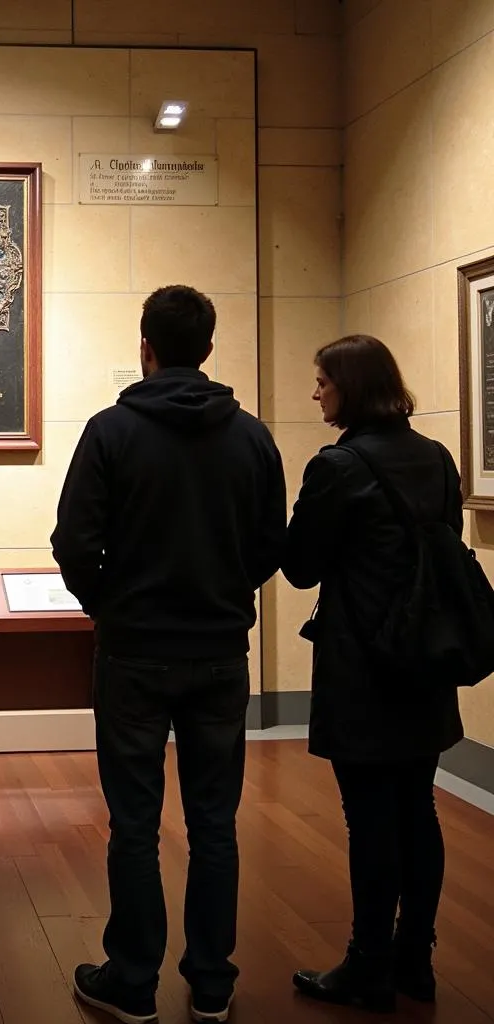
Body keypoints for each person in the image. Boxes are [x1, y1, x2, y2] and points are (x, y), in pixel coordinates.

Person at [51, 285, 287, 1024]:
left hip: (133, 653)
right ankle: (212, 984)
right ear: (208, 350)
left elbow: (74, 541)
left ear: (144, 347)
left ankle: (133, 980)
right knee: (215, 823)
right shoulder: (250, 435)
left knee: (135, 823)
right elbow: (268, 545)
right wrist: (220, 594)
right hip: (220, 650)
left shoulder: (110, 431)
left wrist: (113, 607)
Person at [282, 335, 464, 1012]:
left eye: (323, 381)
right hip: (426, 659)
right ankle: (416, 959)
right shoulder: (438, 458)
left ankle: (368, 964)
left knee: (371, 820)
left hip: (363, 668)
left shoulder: (339, 465)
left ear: (350, 388)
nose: (316, 392)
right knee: (419, 809)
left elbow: (301, 566)